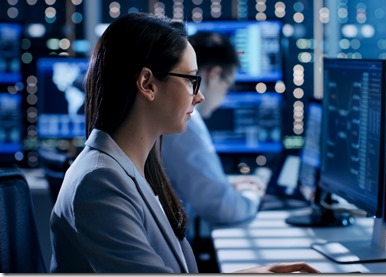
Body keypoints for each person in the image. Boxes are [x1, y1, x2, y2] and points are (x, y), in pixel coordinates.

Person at [49, 12, 319, 274]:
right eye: (191, 80)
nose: (199, 96)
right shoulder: (100, 181)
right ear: (147, 84)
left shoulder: (132, 167)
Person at [162, 31, 266, 241]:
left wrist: (227, 182)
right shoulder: (185, 123)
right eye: (227, 87)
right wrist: (255, 191)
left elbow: (186, 180)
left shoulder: (174, 117)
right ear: (214, 75)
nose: (223, 98)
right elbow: (223, 209)